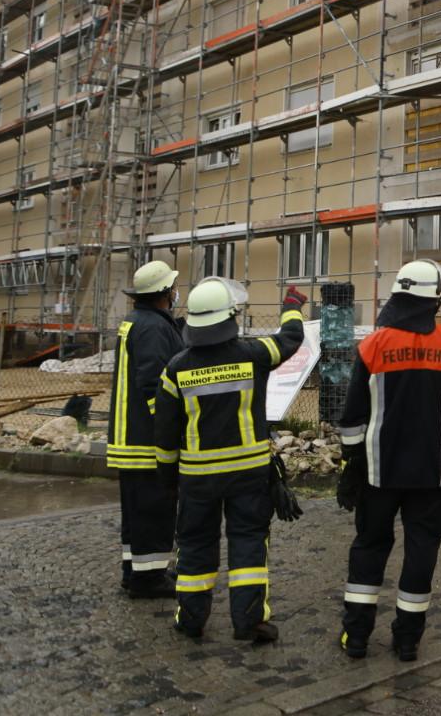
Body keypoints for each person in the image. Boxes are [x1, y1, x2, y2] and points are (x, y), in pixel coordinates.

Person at [335, 259, 441, 662]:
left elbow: (352, 418)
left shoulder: (372, 346)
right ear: (434, 300)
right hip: (432, 475)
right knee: (422, 553)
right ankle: (407, 641)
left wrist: (349, 468)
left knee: (369, 547)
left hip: (378, 472)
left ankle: (356, 637)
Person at [154, 278, 306, 643]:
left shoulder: (175, 369)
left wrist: (168, 479)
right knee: (249, 541)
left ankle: (191, 619)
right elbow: (290, 339)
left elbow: (165, 434)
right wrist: (292, 306)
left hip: (198, 478)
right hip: (249, 474)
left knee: (194, 545)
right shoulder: (254, 354)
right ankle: (250, 619)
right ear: (229, 317)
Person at [108, 260, 185, 598]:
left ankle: (136, 572)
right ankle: (149, 579)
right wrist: (168, 428)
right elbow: (155, 383)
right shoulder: (152, 327)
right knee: (154, 511)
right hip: (145, 440)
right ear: (164, 292)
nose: (176, 292)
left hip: (130, 436)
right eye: (173, 287)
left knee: (137, 513)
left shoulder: (138, 321)